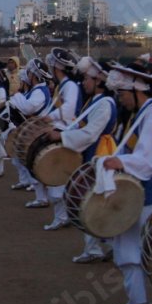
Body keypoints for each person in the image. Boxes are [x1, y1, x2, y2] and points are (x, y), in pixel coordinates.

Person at [101, 61, 152, 304]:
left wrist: (118, 161)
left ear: (136, 90)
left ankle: (138, 300)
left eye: (122, 93)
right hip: (141, 186)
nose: (120, 99)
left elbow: (146, 158)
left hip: (145, 187)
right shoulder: (143, 112)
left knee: (130, 243)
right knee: (147, 243)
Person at [48, 56, 117, 263]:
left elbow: (89, 134)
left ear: (99, 81)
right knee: (90, 203)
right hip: (92, 154)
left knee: (92, 203)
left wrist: (61, 136)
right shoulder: (95, 101)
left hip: (100, 155)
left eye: (87, 78)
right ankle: (101, 246)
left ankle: (100, 247)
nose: (84, 82)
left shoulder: (105, 103)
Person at [43, 48, 81, 231]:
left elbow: (69, 110)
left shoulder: (70, 86)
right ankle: (62, 215)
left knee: (58, 177)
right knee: (56, 179)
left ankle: (63, 216)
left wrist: (49, 118)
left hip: (64, 134)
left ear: (57, 68)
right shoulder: (63, 86)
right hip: (58, 132)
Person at [12, 58, 52, 204]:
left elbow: (29, 108)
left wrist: (16, 97)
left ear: (33, 75)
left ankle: (42, 198)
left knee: (35, 164)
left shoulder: (40, 91)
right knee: (29, 163)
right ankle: (40, 197)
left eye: (29, 72)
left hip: (38, 132)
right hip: (34, 131)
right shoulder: (37, 90)